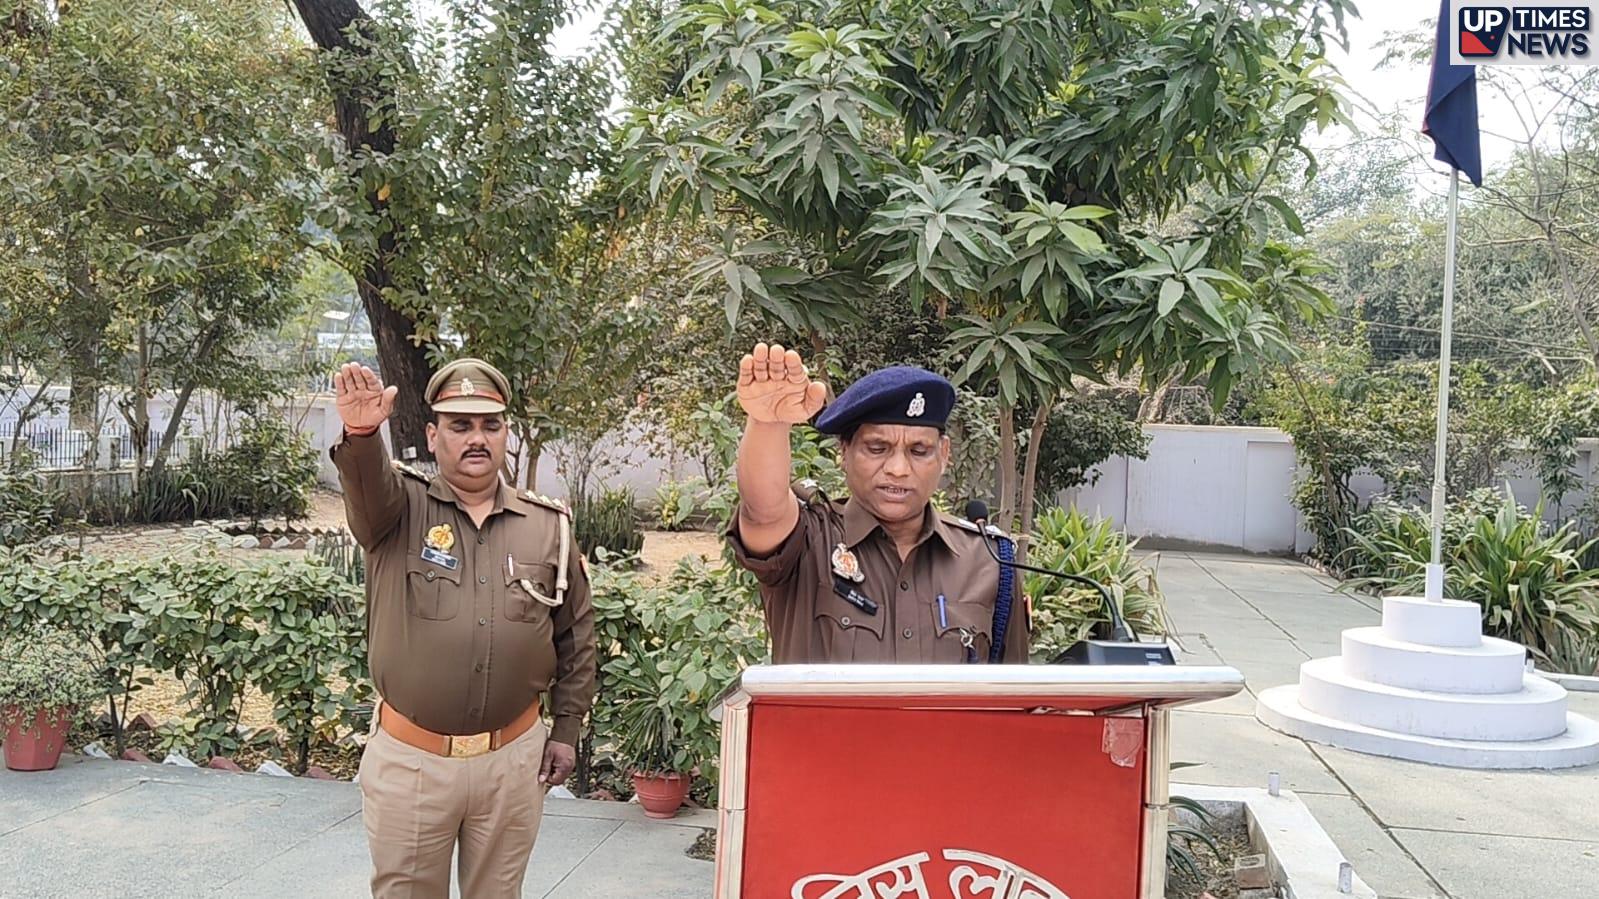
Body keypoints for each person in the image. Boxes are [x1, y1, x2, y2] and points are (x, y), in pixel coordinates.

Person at [331, 358, 596, 899]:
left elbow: (575, 636)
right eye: (460, 425)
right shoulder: (396, 509)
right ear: (433, 436)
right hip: (413, 762)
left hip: (513, 762)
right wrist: (362, 434)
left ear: (505, 434)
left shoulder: (548, 526)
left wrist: (566, 729)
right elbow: (365, 486)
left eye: (489, 424)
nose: (477, 438)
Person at [727, 342, 1029, 664]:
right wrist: (768, 424)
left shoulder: (988, 560)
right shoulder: (808, 541)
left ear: (944, 455)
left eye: (919, 451)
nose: (898, 469)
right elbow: (764, 512)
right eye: (877, 448)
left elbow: (1014, 688)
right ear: (844, 452)